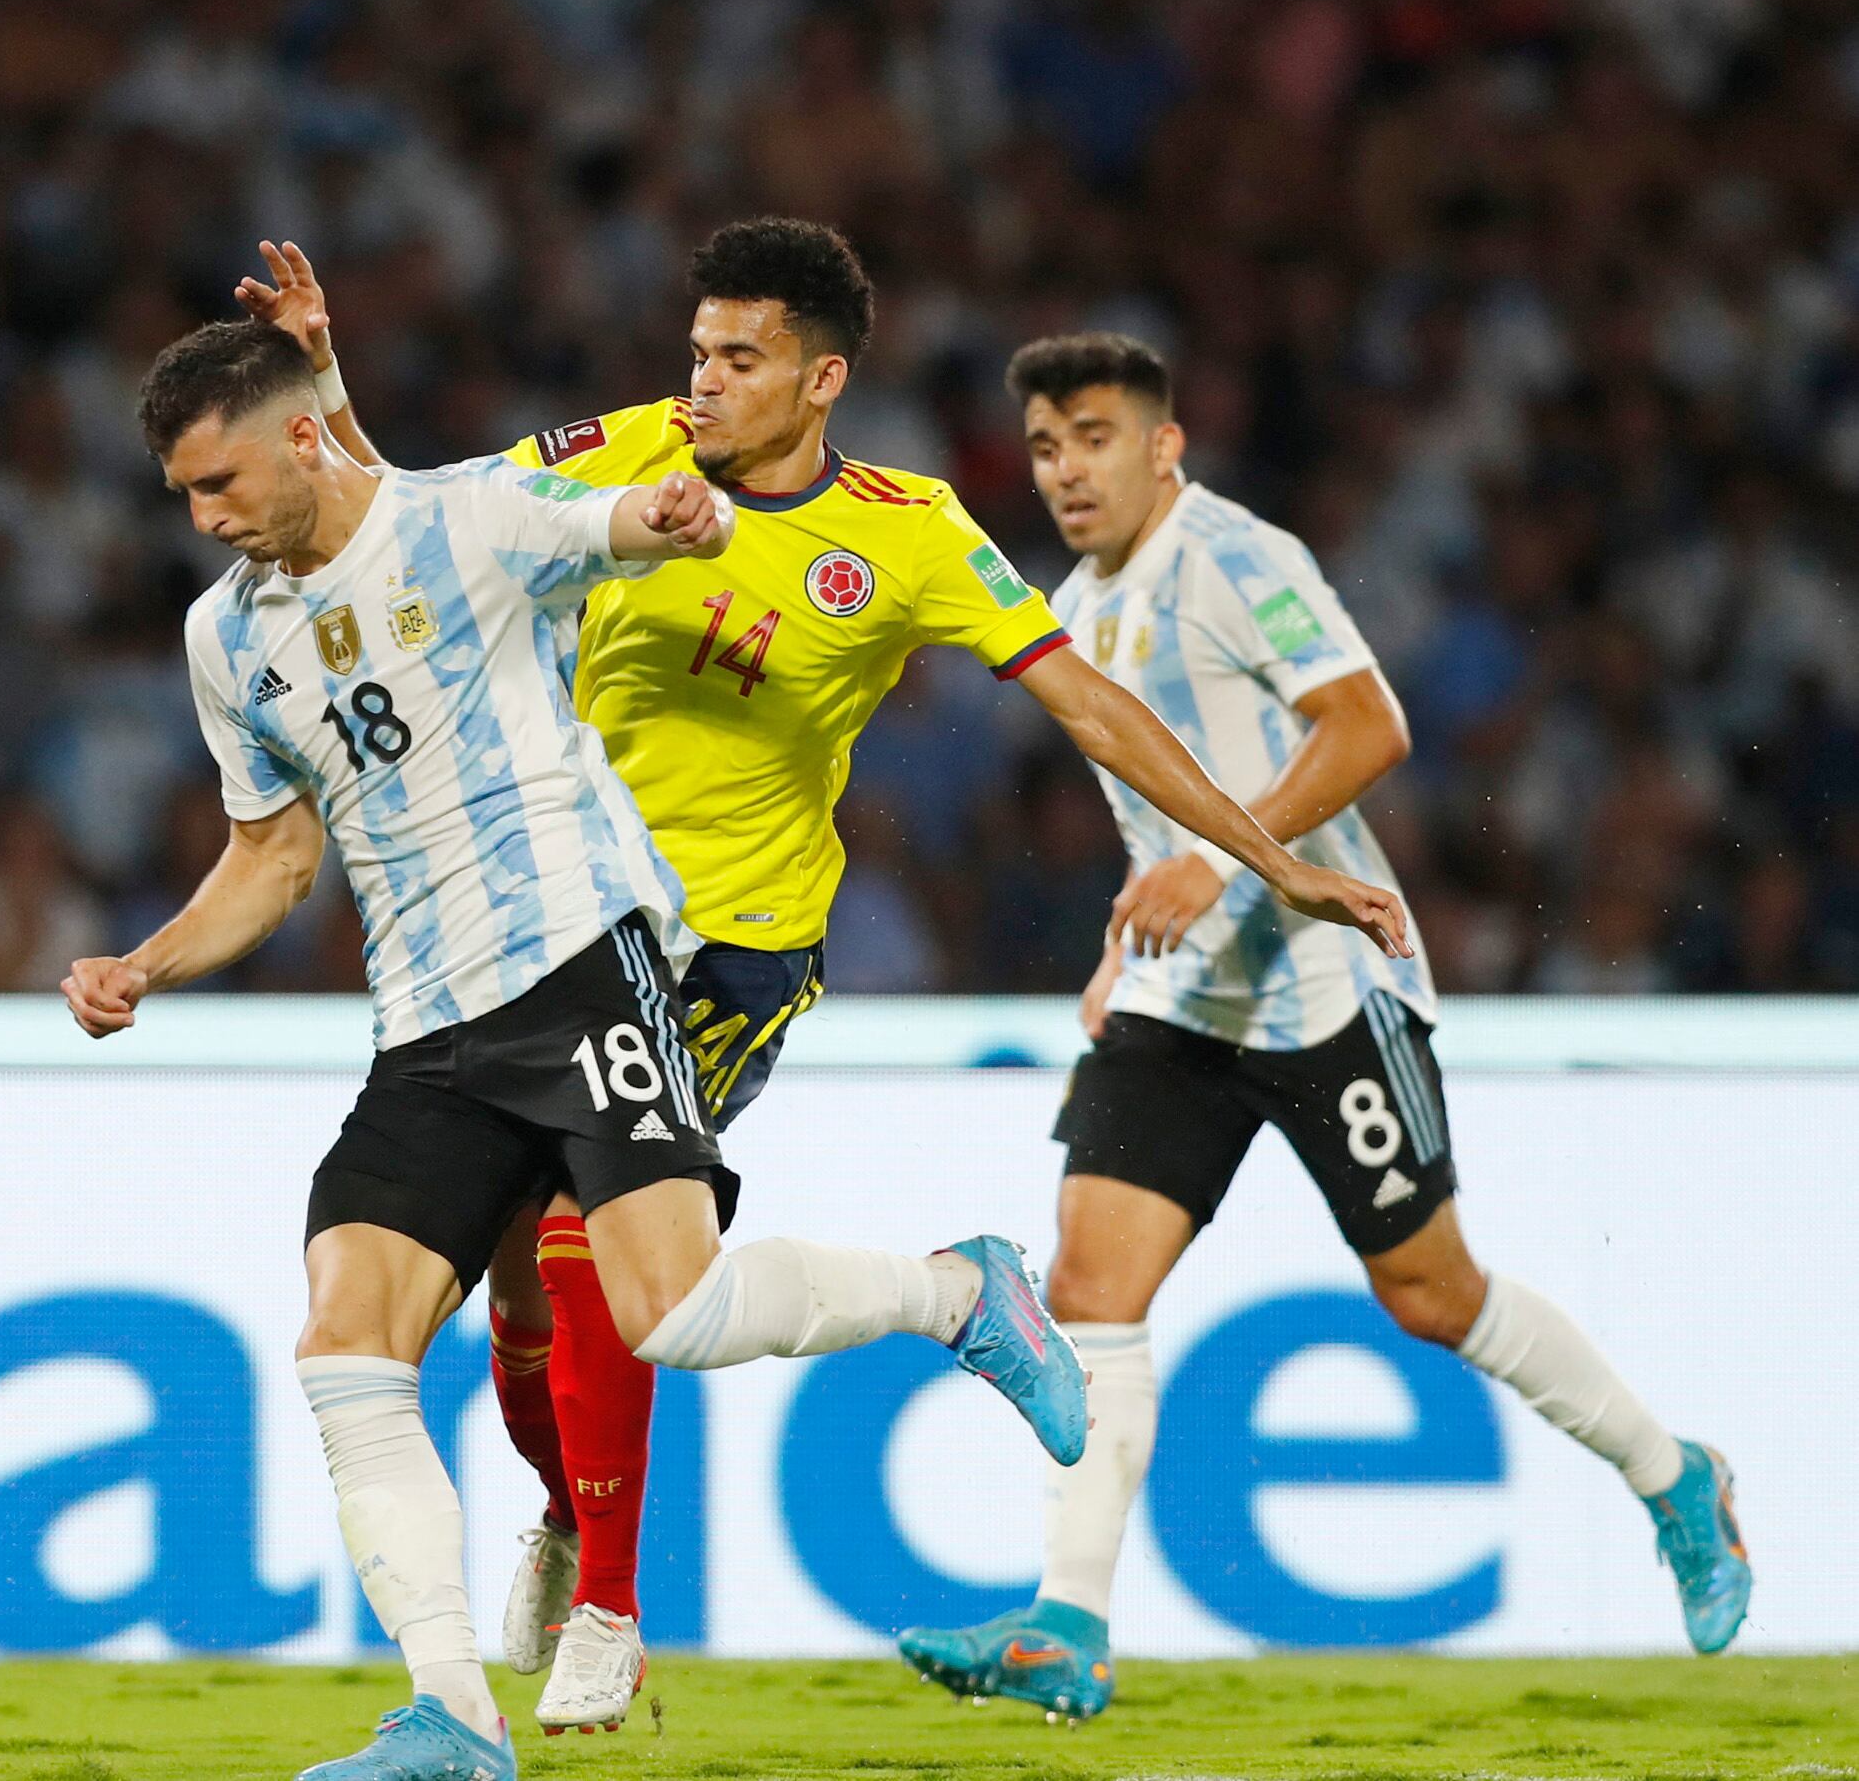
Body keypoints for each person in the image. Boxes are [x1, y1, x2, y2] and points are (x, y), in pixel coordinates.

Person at [241, 220, 1416, 1731]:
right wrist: (324, 369)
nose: (702, 383)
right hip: (556, 924)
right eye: (695, 353)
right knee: (518, 1314)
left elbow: (1095, 709)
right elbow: (410, 516)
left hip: (730, 949)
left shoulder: (910, 533)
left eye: (738, 359)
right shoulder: (627, 455)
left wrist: (1274, 854)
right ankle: (575, 1511)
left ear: (821, 377)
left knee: (591, 1247)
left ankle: (608, 1600)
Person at [62, 319, 1103, 1781]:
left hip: (576, 972)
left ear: (304, 436)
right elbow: (273, 856)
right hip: (422, 1026)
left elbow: (610, 517)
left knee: (670, 1310)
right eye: (182, 494)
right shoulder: (225, 636)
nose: (204, 518)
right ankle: (451, 1716)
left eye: (219, 480)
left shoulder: (465, 520)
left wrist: (664, 516)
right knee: (345, 1343)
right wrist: (146, 963)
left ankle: (958, 1291)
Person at [896, 334, 1752, 1722]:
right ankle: (1067, 1622)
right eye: (1046, 447)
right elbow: (1151, 806)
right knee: (1090, 1289)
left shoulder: (1237, 558)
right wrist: (1131, 929)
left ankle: (1675, 1475)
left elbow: (1367, 726)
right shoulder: (1072, 605)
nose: (1067, 471)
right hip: (1183, 1003)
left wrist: (1218, 864)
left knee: (1429, 1294)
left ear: (1166, 444)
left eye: (1096, 438)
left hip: (1320, 987)